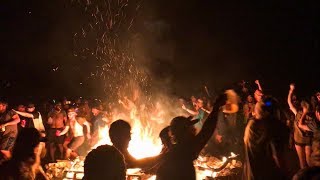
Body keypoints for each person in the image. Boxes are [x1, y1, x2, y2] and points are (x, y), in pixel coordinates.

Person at [155, 92, 228, 180]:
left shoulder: (169, 151)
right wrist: (216, 107)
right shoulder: (187, 149)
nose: (194, 129)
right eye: (191, 127)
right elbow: (207, 130)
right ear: (185, 131)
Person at [243, 96, 288, 180]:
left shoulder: (250, 125)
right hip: (268, 174)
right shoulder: (271, 127)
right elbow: (277, 156)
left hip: (251, 174)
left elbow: (266, 104)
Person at [288, 84, 313, 168]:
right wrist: (291, 91)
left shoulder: (310, 116)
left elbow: (301, 125)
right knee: (302, 163)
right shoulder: (297, 113)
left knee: (309, 161)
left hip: (307, 140)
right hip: (298, 140)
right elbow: (289, 102)